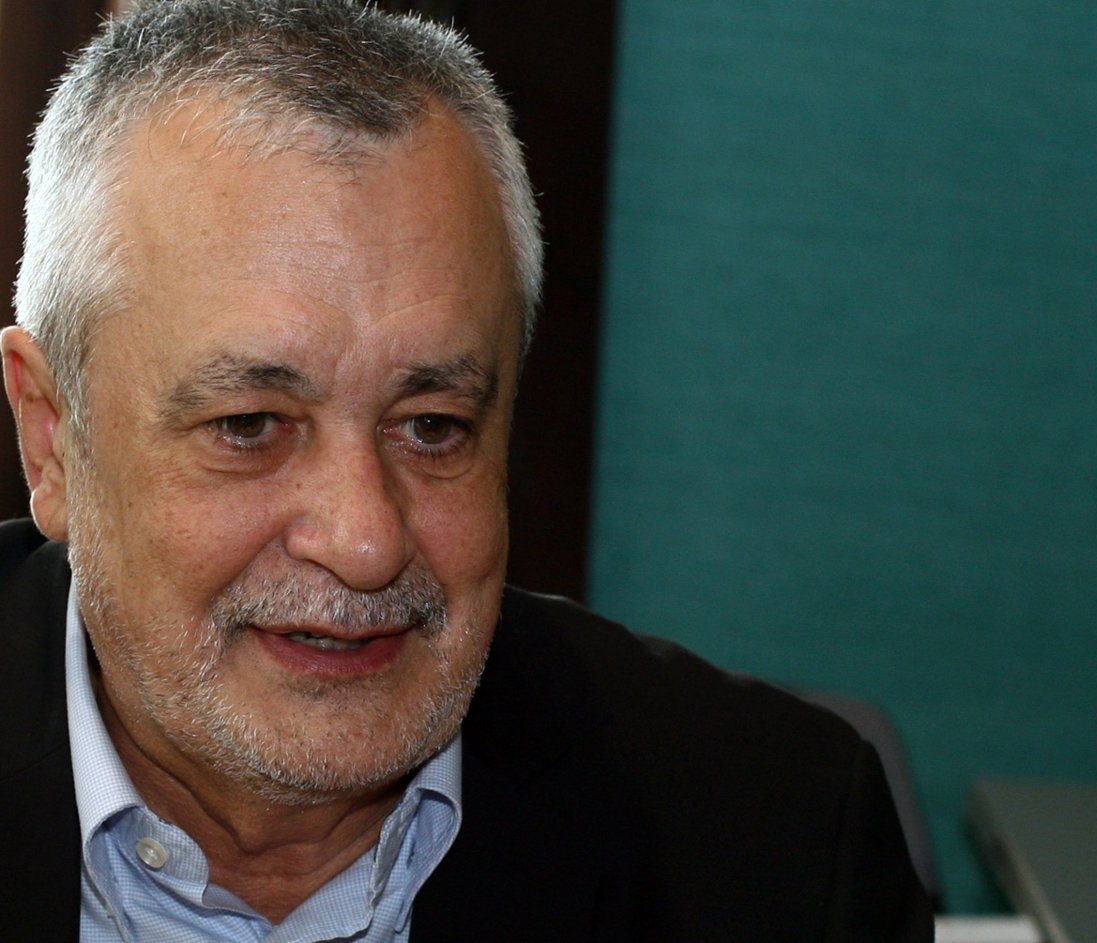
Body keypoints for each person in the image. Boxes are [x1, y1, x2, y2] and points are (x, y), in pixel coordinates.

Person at [0, 1, 933, 939]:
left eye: (432, 427)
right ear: (50, 437)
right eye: (251, 426)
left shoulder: (782, 852)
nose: (367, 541)